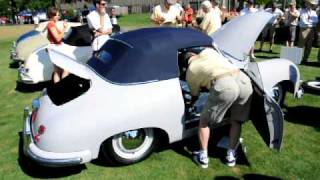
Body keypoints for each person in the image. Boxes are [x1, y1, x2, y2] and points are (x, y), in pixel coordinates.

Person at [185, 47, 253, 168]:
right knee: (236, 120)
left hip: (225, 85)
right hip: (243, 80)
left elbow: (195, 95)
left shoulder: (190, 71)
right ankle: (231, 157)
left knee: (204, 121)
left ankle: (203, 158)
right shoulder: (208, 51)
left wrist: (190, 103)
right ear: (193, 54)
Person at [47, 7, 69, 83]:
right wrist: (64, 29)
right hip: (56, 49)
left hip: (55, 48)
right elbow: (57, 39)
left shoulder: (52, 24)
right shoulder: (51, 24)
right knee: (66, 69)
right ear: (52, 15)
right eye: (57, 15)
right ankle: (62, 88)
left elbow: (49, 37)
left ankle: (59, 89)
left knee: (57, 71)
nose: (59, 17)